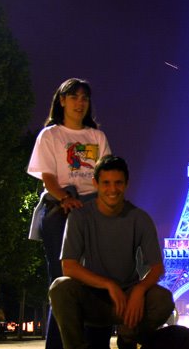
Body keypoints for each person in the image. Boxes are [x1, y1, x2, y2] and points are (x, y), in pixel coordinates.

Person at [49, 155, 174, 349]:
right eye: (106, 183)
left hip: (128, 301)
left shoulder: (140, 219)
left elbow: (157, 267)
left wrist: (139, 290)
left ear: (126, 184)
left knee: (163, 299)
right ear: (95, 183)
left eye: (118, 183)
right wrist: (109, 284)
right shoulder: (79, 216)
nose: (113, 189)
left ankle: (128, 337)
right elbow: (69, 267)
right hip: (92, 298)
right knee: (60, 287)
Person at [27, 78, 112, 349]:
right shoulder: (50, 135)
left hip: (92, 209)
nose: (80, 102)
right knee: (62, 284)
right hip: (62, 207)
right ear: (61, 100)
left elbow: (106, 177)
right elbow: (48, 178)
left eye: (84, 97)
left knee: (96, 281)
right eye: (73, 96)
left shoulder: (97, 137)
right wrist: (66, 198)